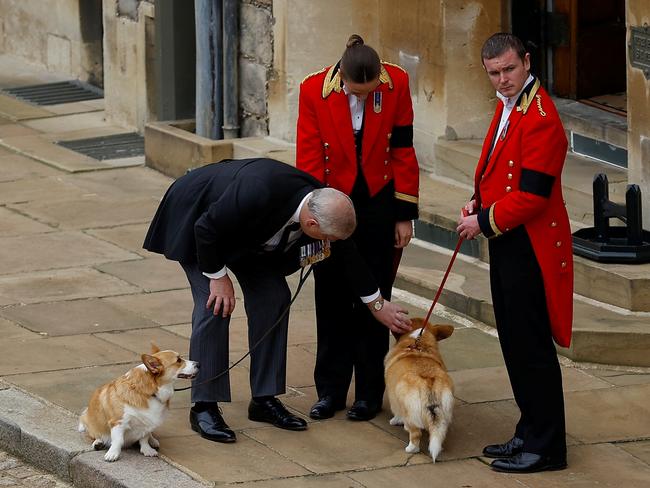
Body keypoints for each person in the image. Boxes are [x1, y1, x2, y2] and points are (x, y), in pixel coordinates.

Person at [143, 157, 407, 443]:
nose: (330, 243)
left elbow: (348, 255)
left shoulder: (323, 202)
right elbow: (206, 229)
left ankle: (264, 399)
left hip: (247, 236)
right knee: (214, 304)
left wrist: (377, 304)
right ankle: (204, 406)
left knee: (274, 296)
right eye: (326, 237)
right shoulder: (258, 191)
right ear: (311, 223)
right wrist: (219, 278)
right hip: (197, 218)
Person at [456, 33, 573, 473]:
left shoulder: (540, 115)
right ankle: (529, 430)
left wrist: (482, 221)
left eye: (509, 70)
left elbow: (534, 195)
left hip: (531, 245)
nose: (502, 81)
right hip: (509, 239)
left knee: (531, 347)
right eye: (494, 74)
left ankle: (547, 448)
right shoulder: (512, 106)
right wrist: (477, 201)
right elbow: (497, 169)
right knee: (513, 341)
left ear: (526, 61)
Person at [297, 34, 419, 422]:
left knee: (376, 295)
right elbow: (309, 155)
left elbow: (403, 148)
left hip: (379, 202)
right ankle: (329, 392)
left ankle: (368, 394)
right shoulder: (312, 89)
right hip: (332, 200)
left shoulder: (396, 81)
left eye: (370, 93)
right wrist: (318, 219)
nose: (364, 99)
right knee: (330, 298)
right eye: (357, 93)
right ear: (343, 78)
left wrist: (404, 213)